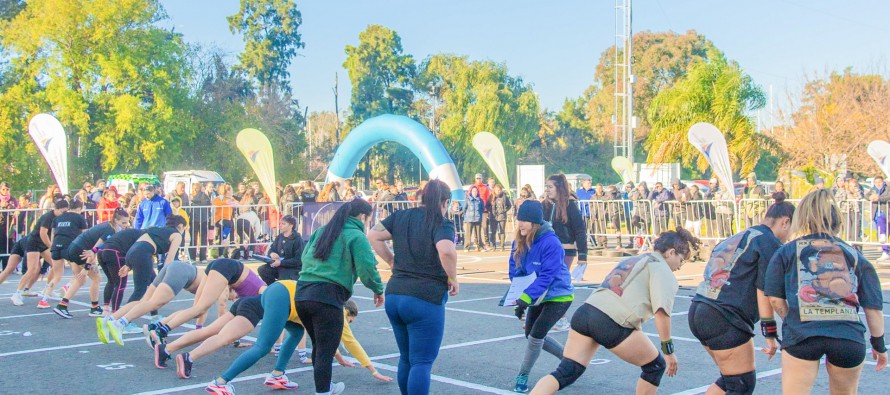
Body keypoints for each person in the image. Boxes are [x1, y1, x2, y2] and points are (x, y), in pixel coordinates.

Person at [529, 228, 701, 394]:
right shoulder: (664, 271)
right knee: (655, 366)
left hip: (585, 312)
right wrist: (668, 351)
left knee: (566, 371)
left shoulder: (634, 259)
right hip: (610, 321)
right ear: (671, 252)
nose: (680, 266)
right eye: (681, 259)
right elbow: (662, 313)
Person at [765, 189, 887, 394]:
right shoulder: (855, 255)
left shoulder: (786, 251)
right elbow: (873, 308)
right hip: (847, 337)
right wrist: (879, 345)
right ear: (838, 223)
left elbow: (775, 299)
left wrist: (792, 320)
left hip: (803, 335)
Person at [688, 197, 795, 394]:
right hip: (724, 317)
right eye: (791, 230)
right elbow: (765, 292)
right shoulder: (770, 242)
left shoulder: (741, 235)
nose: (789, 237)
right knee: (741, 384)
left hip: (700, 307)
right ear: (785, 222)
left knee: (731, 381)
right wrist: (770, 333)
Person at [163, 295, 392, 386]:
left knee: (295, 332)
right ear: (346, 311)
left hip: (266, 300)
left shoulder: (322, 304)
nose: (346, 326)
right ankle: (219, 381)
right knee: (259, 346)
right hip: (270, 303)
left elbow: (323, 340)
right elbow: (348, 340)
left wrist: (339, 357)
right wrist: (372, 370)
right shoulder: (336, 312)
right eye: (349, 321)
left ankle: (277, 375)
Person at [368, 179, 458, 395]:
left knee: (406, 358)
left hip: (396, 293)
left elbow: (373, 235)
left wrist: (391, 261)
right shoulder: (441, 222)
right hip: (425, 297)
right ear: (444, 201)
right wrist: (453, 278)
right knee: (422, 362)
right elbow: (446, 251)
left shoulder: (402, 215)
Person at [294, 199, 384, 395]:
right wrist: (377, 289)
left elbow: (304, 257)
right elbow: (366, 267)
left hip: (302, 293)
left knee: (319, 345)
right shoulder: (356, 236)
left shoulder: (322, 231)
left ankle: (326, 387)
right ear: (362, 217)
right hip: (327, 295)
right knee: (326, 348)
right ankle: (323, 391)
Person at [508, 200, 575, 393]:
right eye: (519, 219)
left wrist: (527, 298)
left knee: (536, 336)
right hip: (537, 294)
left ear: (536, 223)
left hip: (558, 295)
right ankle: (569, 362)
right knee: (530, 334)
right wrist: (517, 299)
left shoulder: (551, 242)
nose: (520, 224)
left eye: (526, 220)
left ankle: (523, 374)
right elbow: (515, 271)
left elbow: (547, 276)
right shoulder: (518, 241)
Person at [144, 258, 266, 346]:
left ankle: (157, 326)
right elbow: (223, 308)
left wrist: (199, 329)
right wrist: (275, 346)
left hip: (219, 265)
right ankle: (162, 331)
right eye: (233, 298)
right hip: (226, 267)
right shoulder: (264, 292)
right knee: (200, 308)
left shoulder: (241, 290)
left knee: (196, 310)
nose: (234, 300)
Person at [97, 261, 204, 346]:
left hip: (174, 266)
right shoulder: (218, 287)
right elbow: (204, 309)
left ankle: (109, 320)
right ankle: (120, 323)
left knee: (144, 301)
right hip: (182, 272)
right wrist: (199, 331)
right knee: (154, 303)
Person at [53, 210, 131, 318]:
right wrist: (87, 268)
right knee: (96, 278)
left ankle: (65, 305)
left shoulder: (108, 226)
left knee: (80, 280)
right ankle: (89, 307)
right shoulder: (110, 230)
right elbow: (93, 250)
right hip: (81, 251)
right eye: (123, 223)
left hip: (74, 248)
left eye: (127, 222)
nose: (126, 225)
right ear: (116, 220)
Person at [113, 215, 186, 325]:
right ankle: (125, 322)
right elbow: (169, 259)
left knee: (153, 285)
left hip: (133, 251)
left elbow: (139, 243)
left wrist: (128, 263)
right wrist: (166, 276)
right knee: (140, 291)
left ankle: (154, 315)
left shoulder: (157, 229)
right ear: (180, 226)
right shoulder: (177, 235)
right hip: (143, 254)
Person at [11, 198, 66, 306]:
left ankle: (48, 288)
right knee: (33, 269)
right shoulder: (48, 217)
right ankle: (17, 294)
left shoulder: (58, 218)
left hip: (43, 244)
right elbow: (43, 234)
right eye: (62, 211)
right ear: (56, 209)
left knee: (57, 264)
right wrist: (51, 246)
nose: (64, 214)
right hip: (34, 242)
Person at [43, 200, 89, 310]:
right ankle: (67, 286)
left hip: (56, 247)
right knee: (79, 274)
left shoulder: (58, 218)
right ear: (80, 208)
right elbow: (86, 236)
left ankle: (43, 300)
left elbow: (53, 234)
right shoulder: (79, 218)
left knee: (57, 275)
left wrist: (53, 247)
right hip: (70, 248)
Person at [541, 174, 587, 274]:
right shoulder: (544, 205)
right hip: (547, 250)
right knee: (546, 280)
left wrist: (582, 255)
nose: (547, 190)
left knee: (558, 279)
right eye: (546, 187)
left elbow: (580, 230)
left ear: (559, 188)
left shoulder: (570, 205)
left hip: (565, 250)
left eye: (550, 187)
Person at [258, 215, 303, 284]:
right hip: (278, 266)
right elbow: (271, 249)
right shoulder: (279, 237)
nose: (280, 226)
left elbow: (298, 260)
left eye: (283, 224)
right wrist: (272, 253)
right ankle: (272, 287)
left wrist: (281, 263)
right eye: (280, 223)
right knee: (262, 270)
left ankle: (280, 289)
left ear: (291, 226)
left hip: (292, 269)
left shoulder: (297, 240)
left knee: (283, 280)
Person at [867, 176, 890, 261]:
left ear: (883, 182)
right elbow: (866, 195)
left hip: (886, 212)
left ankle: (885, 248)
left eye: (879, 182)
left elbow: (888, 197)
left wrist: (879, 198)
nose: (878, 184)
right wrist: (870, 197)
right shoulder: (873, 189)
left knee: (884, 230)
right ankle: (885, 252)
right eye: (876, 182)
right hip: (876, 213)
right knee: (880, 233)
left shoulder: (887, 188)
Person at [188, 182, 211, 262]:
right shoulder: (192, 196)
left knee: (200, 239)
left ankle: (199, 257)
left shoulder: (202, 196)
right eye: (194, 187)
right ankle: (197, 257)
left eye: (197, 187)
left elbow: (208, 205)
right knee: (195, 238)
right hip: (196, 219)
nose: (195, 189)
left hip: (201, 219)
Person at [212, 183, 237, 257]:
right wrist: (225, 203)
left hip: (227, 220)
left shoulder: (231, 198)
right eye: (231, 190)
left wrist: (233, 203)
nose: (232, 191)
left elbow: (237, 204)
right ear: (227, 191)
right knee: (229, 224)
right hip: (219, 219)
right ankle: (225, 238)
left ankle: (221, 254)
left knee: (222, 237)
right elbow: (215, 203)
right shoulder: (219, 198)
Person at [473, 174, 494, 250]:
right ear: (475, 179)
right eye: (477, 178)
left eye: (480, 178)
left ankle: (487, 243)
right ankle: (477, 243)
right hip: (475, 211)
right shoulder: (472, 187)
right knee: (476, 227)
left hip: (484, 211)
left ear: (482, 179)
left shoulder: (485, 188)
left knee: (485, 227)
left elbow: (489, 199)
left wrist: (488, 208)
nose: (478, 179)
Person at [491, 184, 513, 251]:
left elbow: (509, 205)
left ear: (501, 190)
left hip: (502, 216)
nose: (498, 191)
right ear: (494, 190)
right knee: (493, 232)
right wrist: (492, 212)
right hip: (494, 216)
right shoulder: (492, 197)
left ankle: (502, 246)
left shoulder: (505, 197)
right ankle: (493, 246)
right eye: (496, 190)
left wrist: (504, 210)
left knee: (502, 231)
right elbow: (488, 205)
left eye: (499, 190)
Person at [464, 186, 484, 251]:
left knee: (478, 234)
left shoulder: (480, 200)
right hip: (470, 219)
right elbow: (465, 208)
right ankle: (467, 247)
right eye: (473, 191)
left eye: (476, 191)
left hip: (478, 219)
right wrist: (467, 216)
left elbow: (482, 209)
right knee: (468, 234)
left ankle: (480, 247)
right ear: (471, 192)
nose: (474, 192)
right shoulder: (467, 199)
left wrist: (479, 215)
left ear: (477, 192)